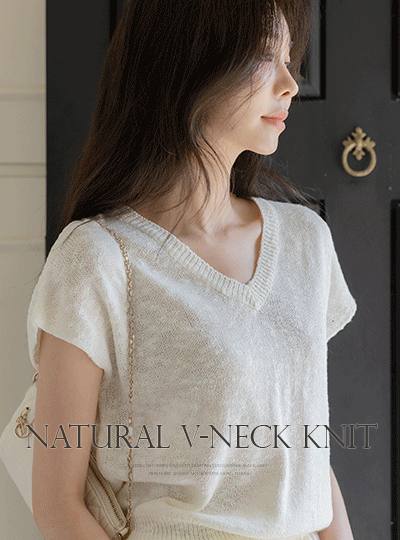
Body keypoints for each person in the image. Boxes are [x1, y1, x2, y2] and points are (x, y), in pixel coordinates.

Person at [29, 1, 357, 539]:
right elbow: (57, 504)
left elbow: (305, 456)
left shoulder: (306, 242)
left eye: (289, 59)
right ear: (190, 63)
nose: (290, 84)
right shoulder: (100, 258)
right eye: (263, 57)